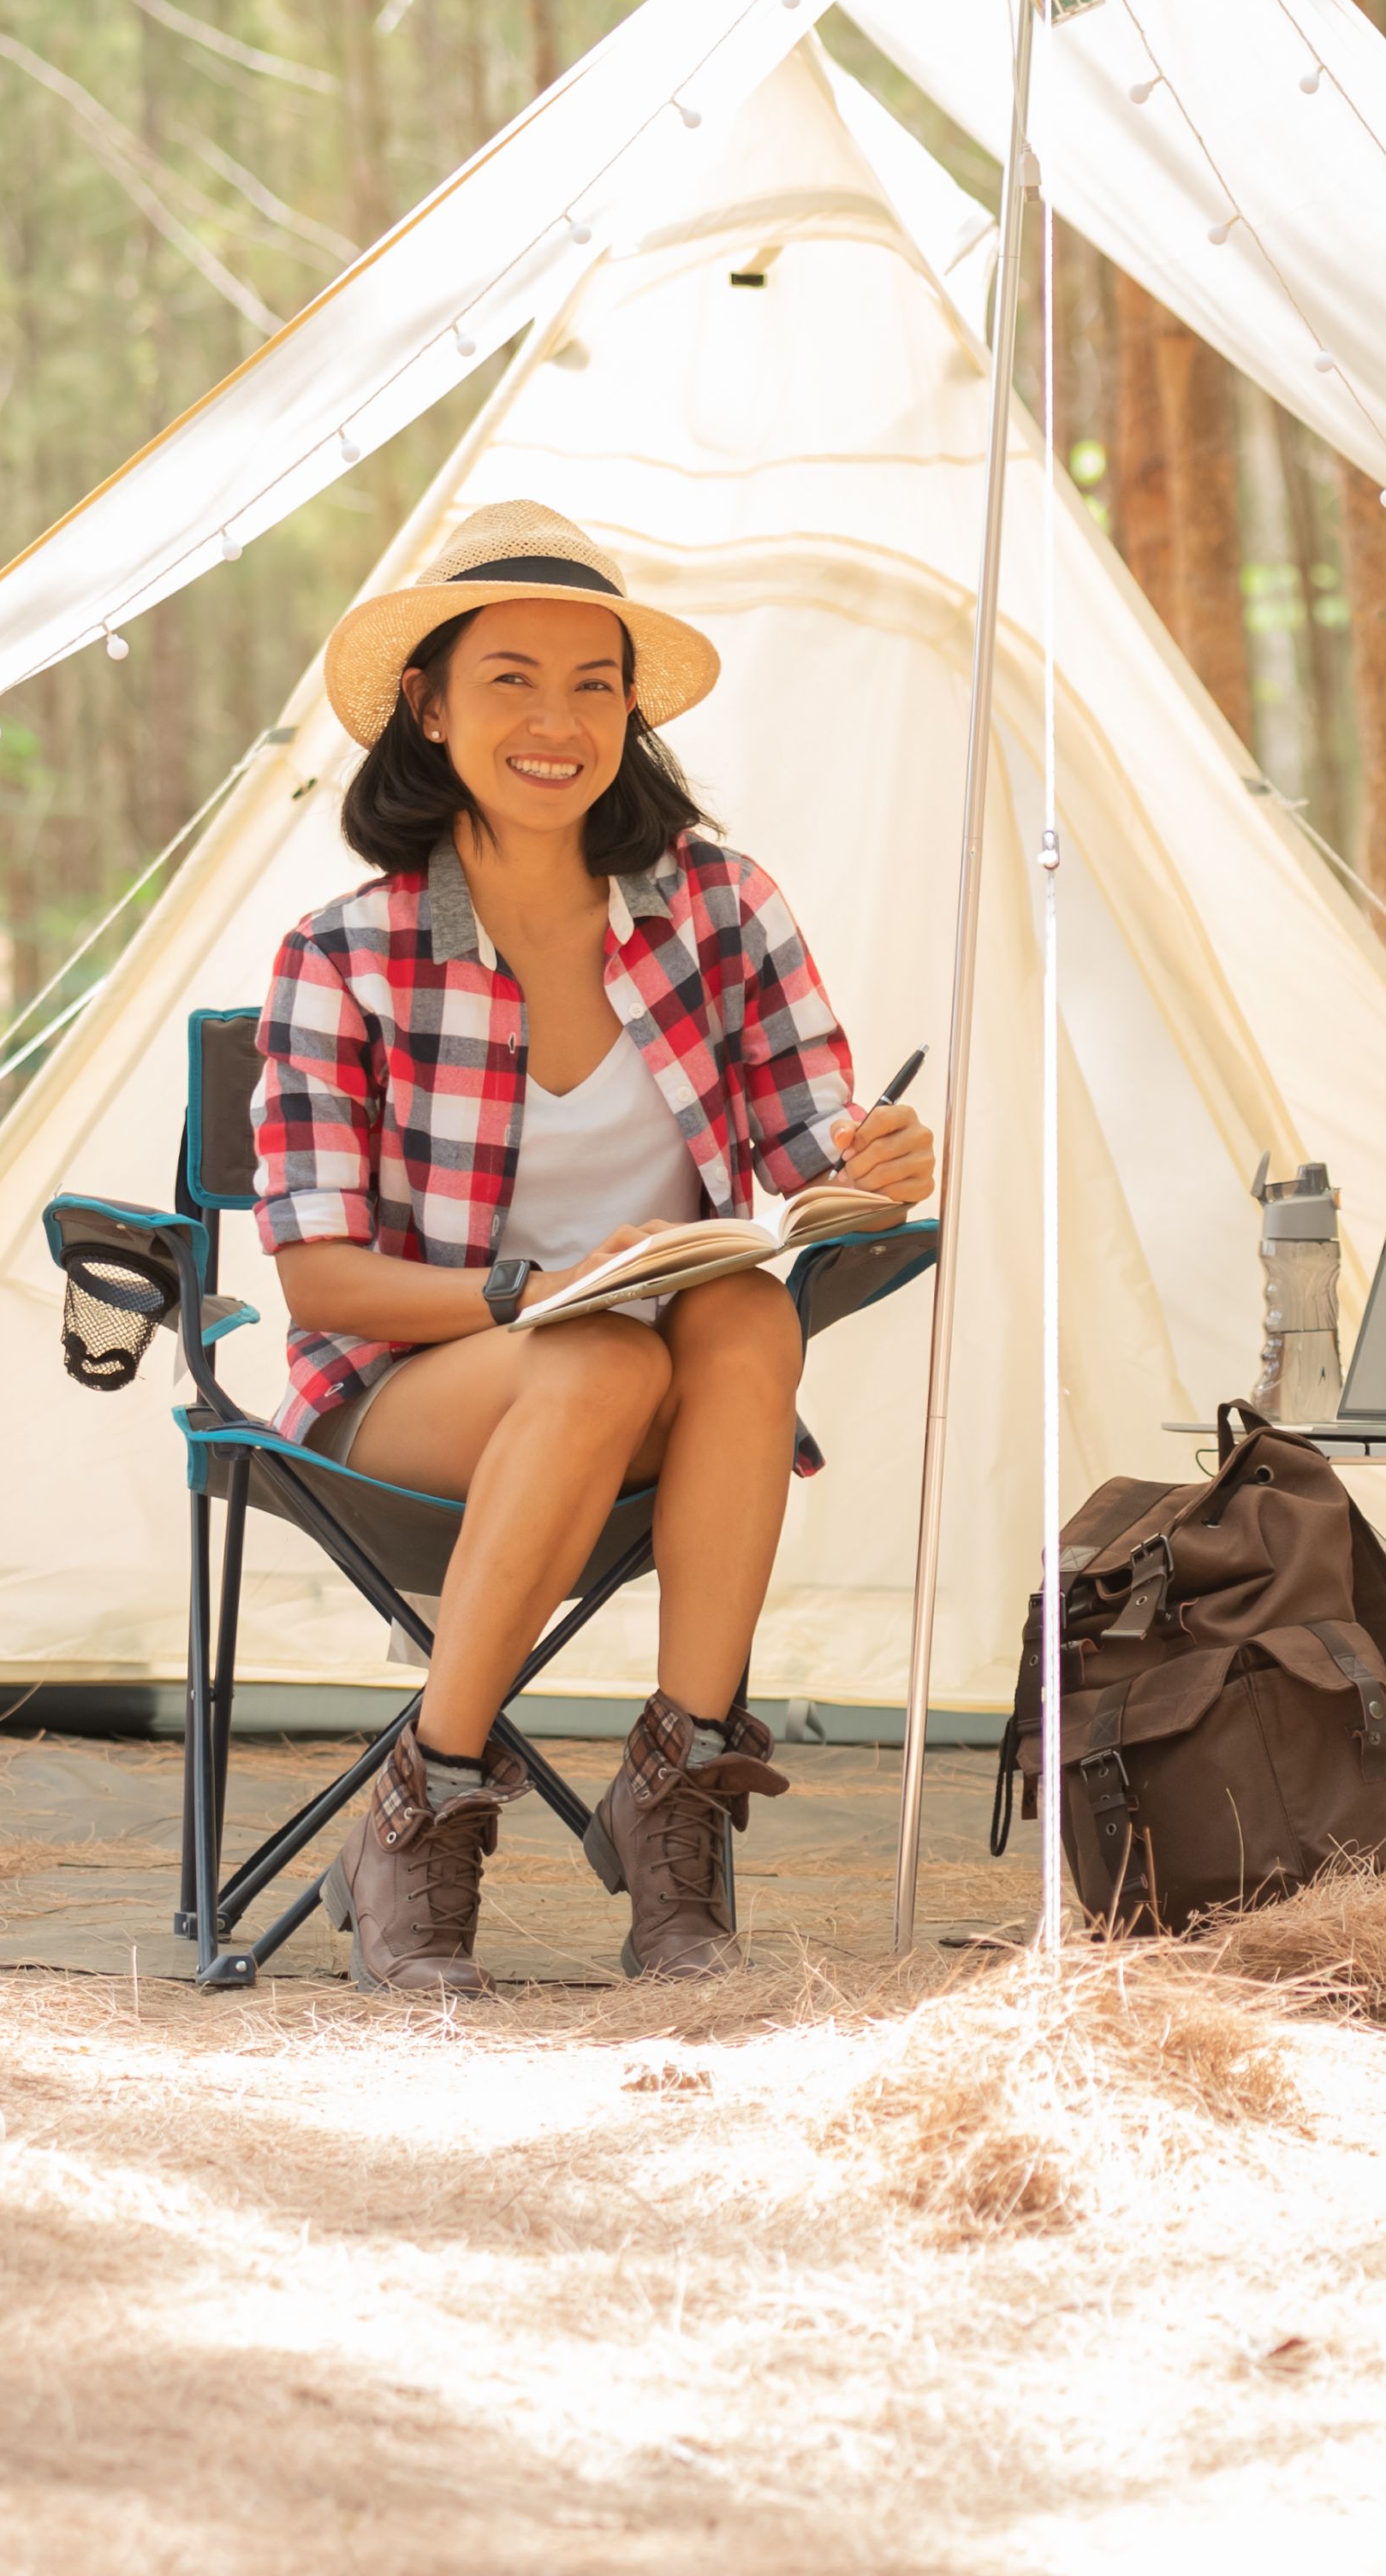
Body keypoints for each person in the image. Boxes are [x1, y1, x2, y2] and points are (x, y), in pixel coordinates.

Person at [250, 505, 935, 1989]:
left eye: (593, 686)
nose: (557, 723)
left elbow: (808, 1147)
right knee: (596, 1357)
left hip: (666, 1382)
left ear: (631, 714)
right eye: (510, 680)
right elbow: (319, 1279)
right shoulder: (343, 952)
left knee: (747, 1312)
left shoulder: (722, 906)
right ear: (430, 706)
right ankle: (421, 1809)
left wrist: (874, 1165)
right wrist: (534, 1295)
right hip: (408, 1388)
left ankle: (674, 1797)